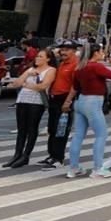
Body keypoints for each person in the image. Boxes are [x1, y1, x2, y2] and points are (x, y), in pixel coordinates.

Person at [63, 44, 111, 178]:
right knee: (101, 134)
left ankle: (73, 168)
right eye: (101, 51)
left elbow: (76, 86)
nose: (102, 53)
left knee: (78, 135)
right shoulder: (96, 66)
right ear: (95, 53)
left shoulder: (79, 67)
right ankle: (97, 168)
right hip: (93, 101)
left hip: (80, 101)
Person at [3, 48, 57, 168]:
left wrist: (27, 84)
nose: (37, 58)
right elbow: (16, 83)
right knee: (21, 128)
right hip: (23, 99)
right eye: (37, 56)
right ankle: (17, 154)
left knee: (32, 128)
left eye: (41, 57)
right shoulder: (31, 69)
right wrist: (27, 74)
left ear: (48, 59)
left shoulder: (51, 70)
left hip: (37, 102)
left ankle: (26, 155)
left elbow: (42, 86)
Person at [40, 41, 79, 171]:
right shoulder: (62, 63)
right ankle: (51, 154)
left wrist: (68, 102)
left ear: (74, 51)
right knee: (52, 128)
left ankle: (59, 158)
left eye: (67, 50)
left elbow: (75, 85)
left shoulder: (75, 65)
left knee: (61, 130)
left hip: (65, 99)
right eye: (62, 50)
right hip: (54, 98)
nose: (63, 52)